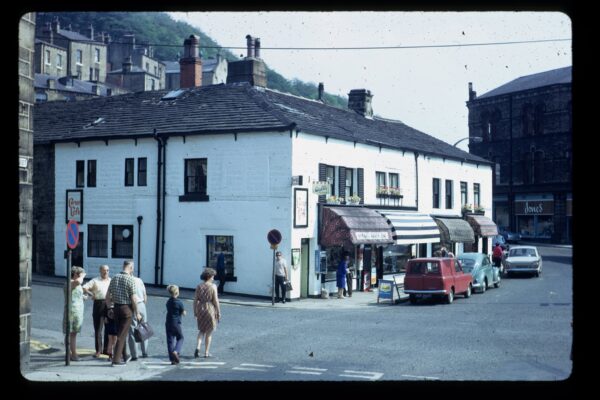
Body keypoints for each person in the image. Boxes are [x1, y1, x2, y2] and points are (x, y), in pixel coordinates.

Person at [105, 260, 141, 366]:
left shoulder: (115, 277)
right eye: (133, 267)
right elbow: (134, 298)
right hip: (127, 309)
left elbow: (107, 296)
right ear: (130, 267)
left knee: (121, 332)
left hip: (116, 308)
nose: (133, 269)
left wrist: (109, 308)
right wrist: (137, 312)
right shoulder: (130, 279)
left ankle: (124, 355)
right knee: (121, 335)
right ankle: (116, 360)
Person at [82, 264, 111, 358]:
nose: (105, 272)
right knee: (98, 329)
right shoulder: (95, 280)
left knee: (109, 328)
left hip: (109, 305)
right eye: (104, 270)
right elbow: (84, 287)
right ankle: (98, 350)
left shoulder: (111, 281)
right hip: (98, 304)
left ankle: (107, 349)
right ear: (100, 271)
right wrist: (91, 294)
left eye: (107, 270)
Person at [194, 268, 221, 358]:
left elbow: (195, 300)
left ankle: (198, 347)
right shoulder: (213, 286)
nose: (213, 278)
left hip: (200, 308)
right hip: (209, 308)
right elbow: (215, 300)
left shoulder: (199, 286)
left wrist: (195, 311)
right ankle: (206, 352)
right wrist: (218, 311)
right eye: (213, 276)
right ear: (209, 276)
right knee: (209, 332)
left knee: (201, 330)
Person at [63, 266, 86, 361]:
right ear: (76, 274)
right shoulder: (71, 282)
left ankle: (70, 353)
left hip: (78, 311)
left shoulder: (76, 284)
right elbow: (78, 282)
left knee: (73, 333)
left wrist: (84, 297)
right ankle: (73, 354)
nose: (82, 276)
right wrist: (83, 276)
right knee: (70, 333)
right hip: (72, 311)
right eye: (80, 274)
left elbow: (76, 294)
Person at [127, 275, 149, 360]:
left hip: (132, 306)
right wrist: (142, 305)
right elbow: (145, 295)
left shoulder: (127, 281)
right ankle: (145, 352)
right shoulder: (139, 280)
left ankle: (134, 355)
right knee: (143, 328)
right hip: (141, 304)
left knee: (132, 330)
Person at [165, 285, 186, 365]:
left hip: (168, 322)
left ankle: (172, 360)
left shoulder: (168, 301)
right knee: (180, 337)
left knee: (170, 341)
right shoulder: (179, 302)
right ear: (177, 292)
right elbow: (183, 312)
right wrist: (184, 312)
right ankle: (176, 351)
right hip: (176, 323)